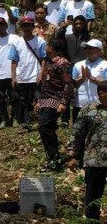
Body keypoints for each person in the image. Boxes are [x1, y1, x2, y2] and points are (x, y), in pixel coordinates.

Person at [67, 81, 107, 224]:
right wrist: (72, 155)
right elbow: (77, 134)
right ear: (101, 93)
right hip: (94, 160)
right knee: (93, 196)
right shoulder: (88, 110)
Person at [35, 38, 73, 171]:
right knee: (47, 128)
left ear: (51, 48)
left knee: (44, 126)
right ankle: (53, 158)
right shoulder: (50, 63)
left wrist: (64, 102)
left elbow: (68, 84)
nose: (45, 48)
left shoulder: (63, 63)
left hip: (56, 99)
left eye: (47, 46)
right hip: (46, 98)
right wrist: (40, 100)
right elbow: (46, 85)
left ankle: (54, 156)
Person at [8, 16, 47, 130]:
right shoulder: (16, 42)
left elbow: (44, 58)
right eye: (24, 25)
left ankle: (42, 122)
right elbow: (14, 61)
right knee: (23, 101)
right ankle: (25, 123)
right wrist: (13, 77)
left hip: (35, 75)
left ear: (32, 26)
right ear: (21, 27)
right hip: (22, 76)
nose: (26, 27)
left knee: (39, 99)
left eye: (28, 25)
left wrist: (41, 73)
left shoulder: (40, 41)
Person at [58, 15, 90, 126]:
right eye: (76, 23)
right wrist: (63, 27)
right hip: (68, 67)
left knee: (80, 91)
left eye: (81, 23)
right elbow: (58, 37)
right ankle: (64, 119)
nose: (79, 26)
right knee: (66, 91)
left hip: (82, 67)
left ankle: (81, 116)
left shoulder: (87, 38)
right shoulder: (68, 37)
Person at [72, 39, 107, 122]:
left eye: (91, 48)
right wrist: (82, 79)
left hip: (98, 104)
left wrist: (92, 78)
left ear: (99, 50)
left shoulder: (105, 65)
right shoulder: (78, 65)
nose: (88, 50)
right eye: (86, 48)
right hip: (79, 104)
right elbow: (72, 85)